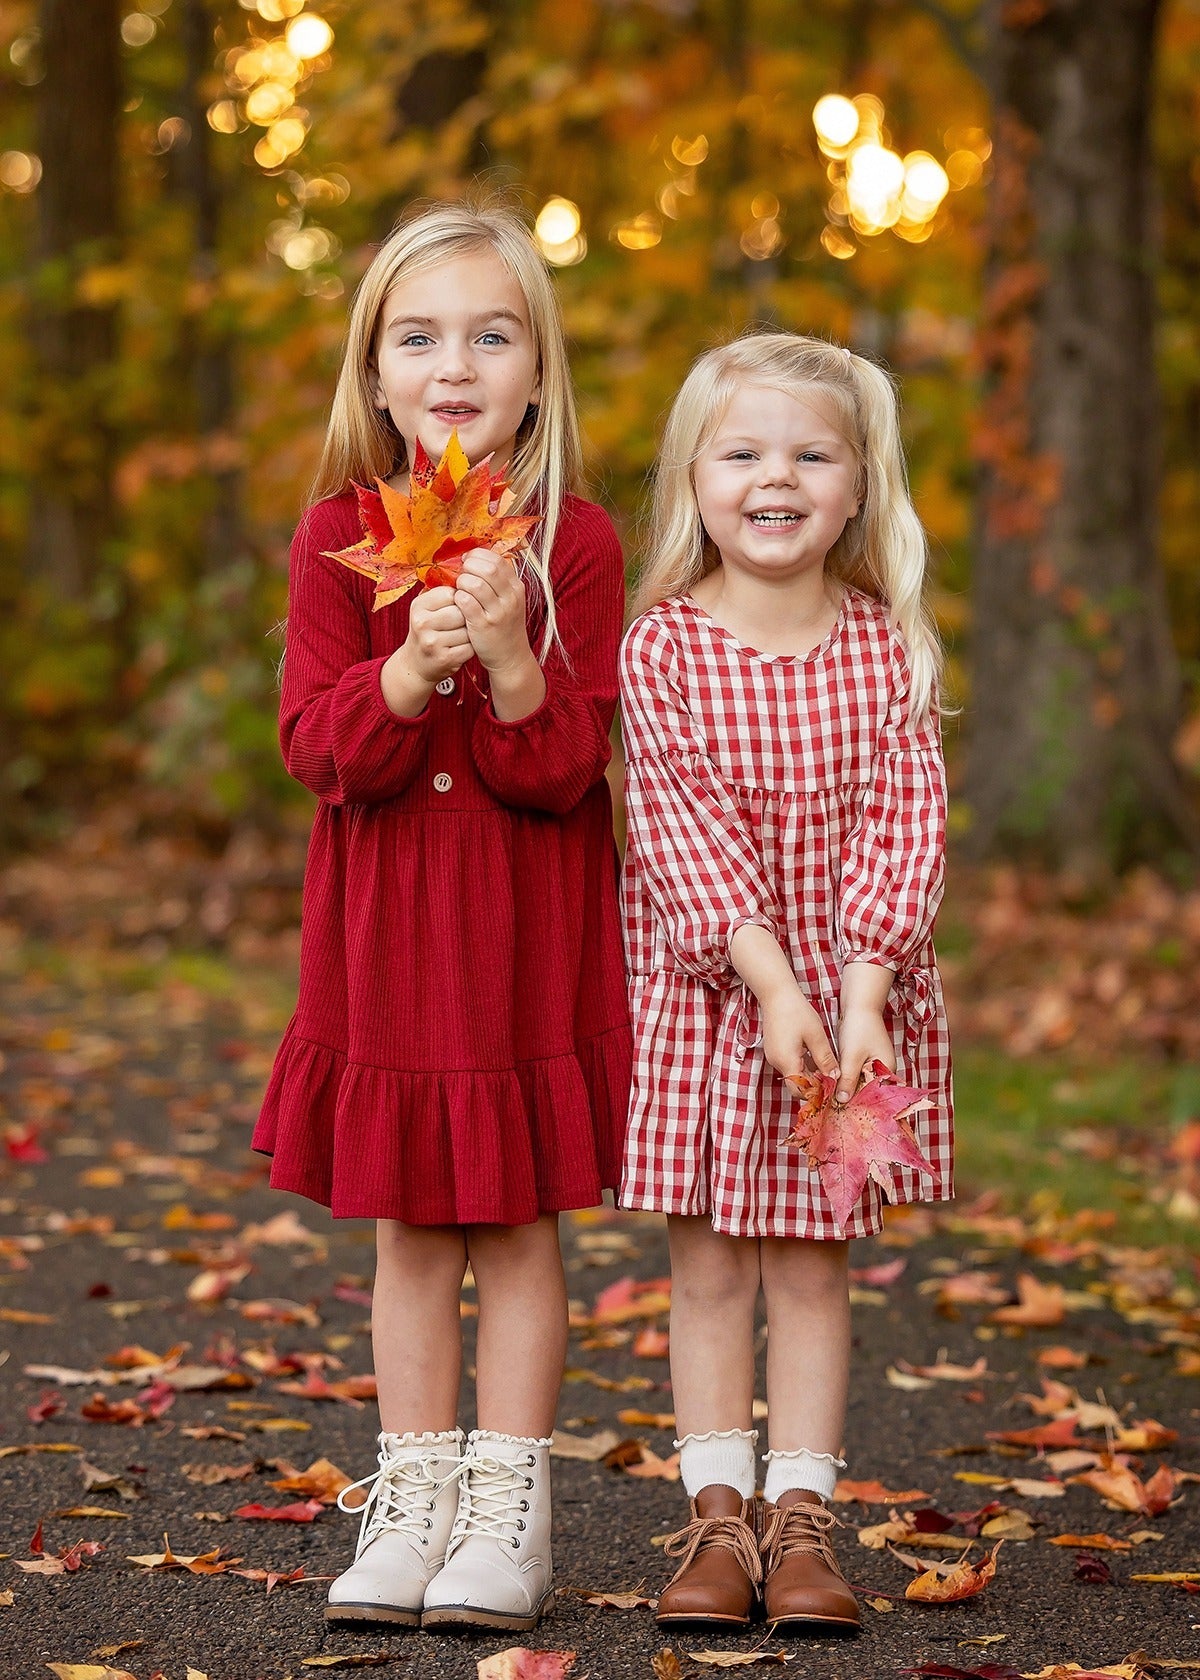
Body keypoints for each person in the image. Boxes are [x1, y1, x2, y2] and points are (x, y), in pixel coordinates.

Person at [252, 200, 631, 1633]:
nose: (453, 361)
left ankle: (506, 1510)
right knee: (412, 1226)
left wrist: (518, 662)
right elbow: (317, 748)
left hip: (524, 932)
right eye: (418, 335)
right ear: (375, 370)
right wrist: (409, 669)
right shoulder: (337, 538)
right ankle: (410, 1500)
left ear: (538, 368)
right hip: (391, 932)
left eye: (490, 332)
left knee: (520, 1220)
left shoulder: (575, 544)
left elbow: (565, 775)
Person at [619, 333, 952, 1633]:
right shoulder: (664, 652)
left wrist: (862, 992)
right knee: (705, 1269)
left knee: (815, 1268)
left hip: (850, 1016)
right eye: (744, 451)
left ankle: (804, 1526)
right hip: (712, 1006)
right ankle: (717, 1524)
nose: (778, 476)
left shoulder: (890, 651)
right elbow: (679, 830)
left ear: (861, 485)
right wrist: (765, 981)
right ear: (695, 480)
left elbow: (905, 829)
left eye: (813, 453)